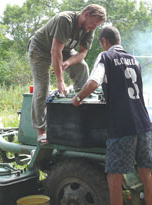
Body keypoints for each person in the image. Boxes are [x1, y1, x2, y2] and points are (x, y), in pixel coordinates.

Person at [72, 26, 152, 205]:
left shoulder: (105, 57)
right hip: (144, 124)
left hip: (122, 126)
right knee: (146, 174)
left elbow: (93, 82)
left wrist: (77, 98)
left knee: (114, 177)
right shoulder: (134, 59)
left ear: (104, 41)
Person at [28, 4, 106, 143]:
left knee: (82, 67)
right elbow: (55, 50)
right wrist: (60, 80)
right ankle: (41, 130)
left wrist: (68, 63)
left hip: (64, 51)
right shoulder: (65, 20)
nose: (94, 27)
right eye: (93, 23)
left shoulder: (89, 29)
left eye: (97, 26)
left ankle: (79, 103)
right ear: (86, 14)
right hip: (40, 49)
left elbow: (82, 53)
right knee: (42, 88)